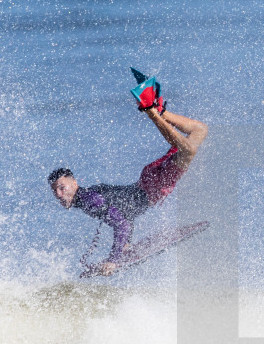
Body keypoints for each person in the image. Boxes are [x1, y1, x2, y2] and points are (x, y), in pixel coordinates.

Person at [49, 84, 208, 276]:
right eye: (55, 191)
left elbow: (122, 223)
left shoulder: (89, 201)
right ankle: (159, 111)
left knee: (188, 149)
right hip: (147, 179)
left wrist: (114, 260)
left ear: (75, 183)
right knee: (199, 130)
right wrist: (125, 243)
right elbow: (125, 213)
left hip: (154, 186)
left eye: (62, 187)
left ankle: (152, 112)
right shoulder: (88, 195)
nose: (59, 194)